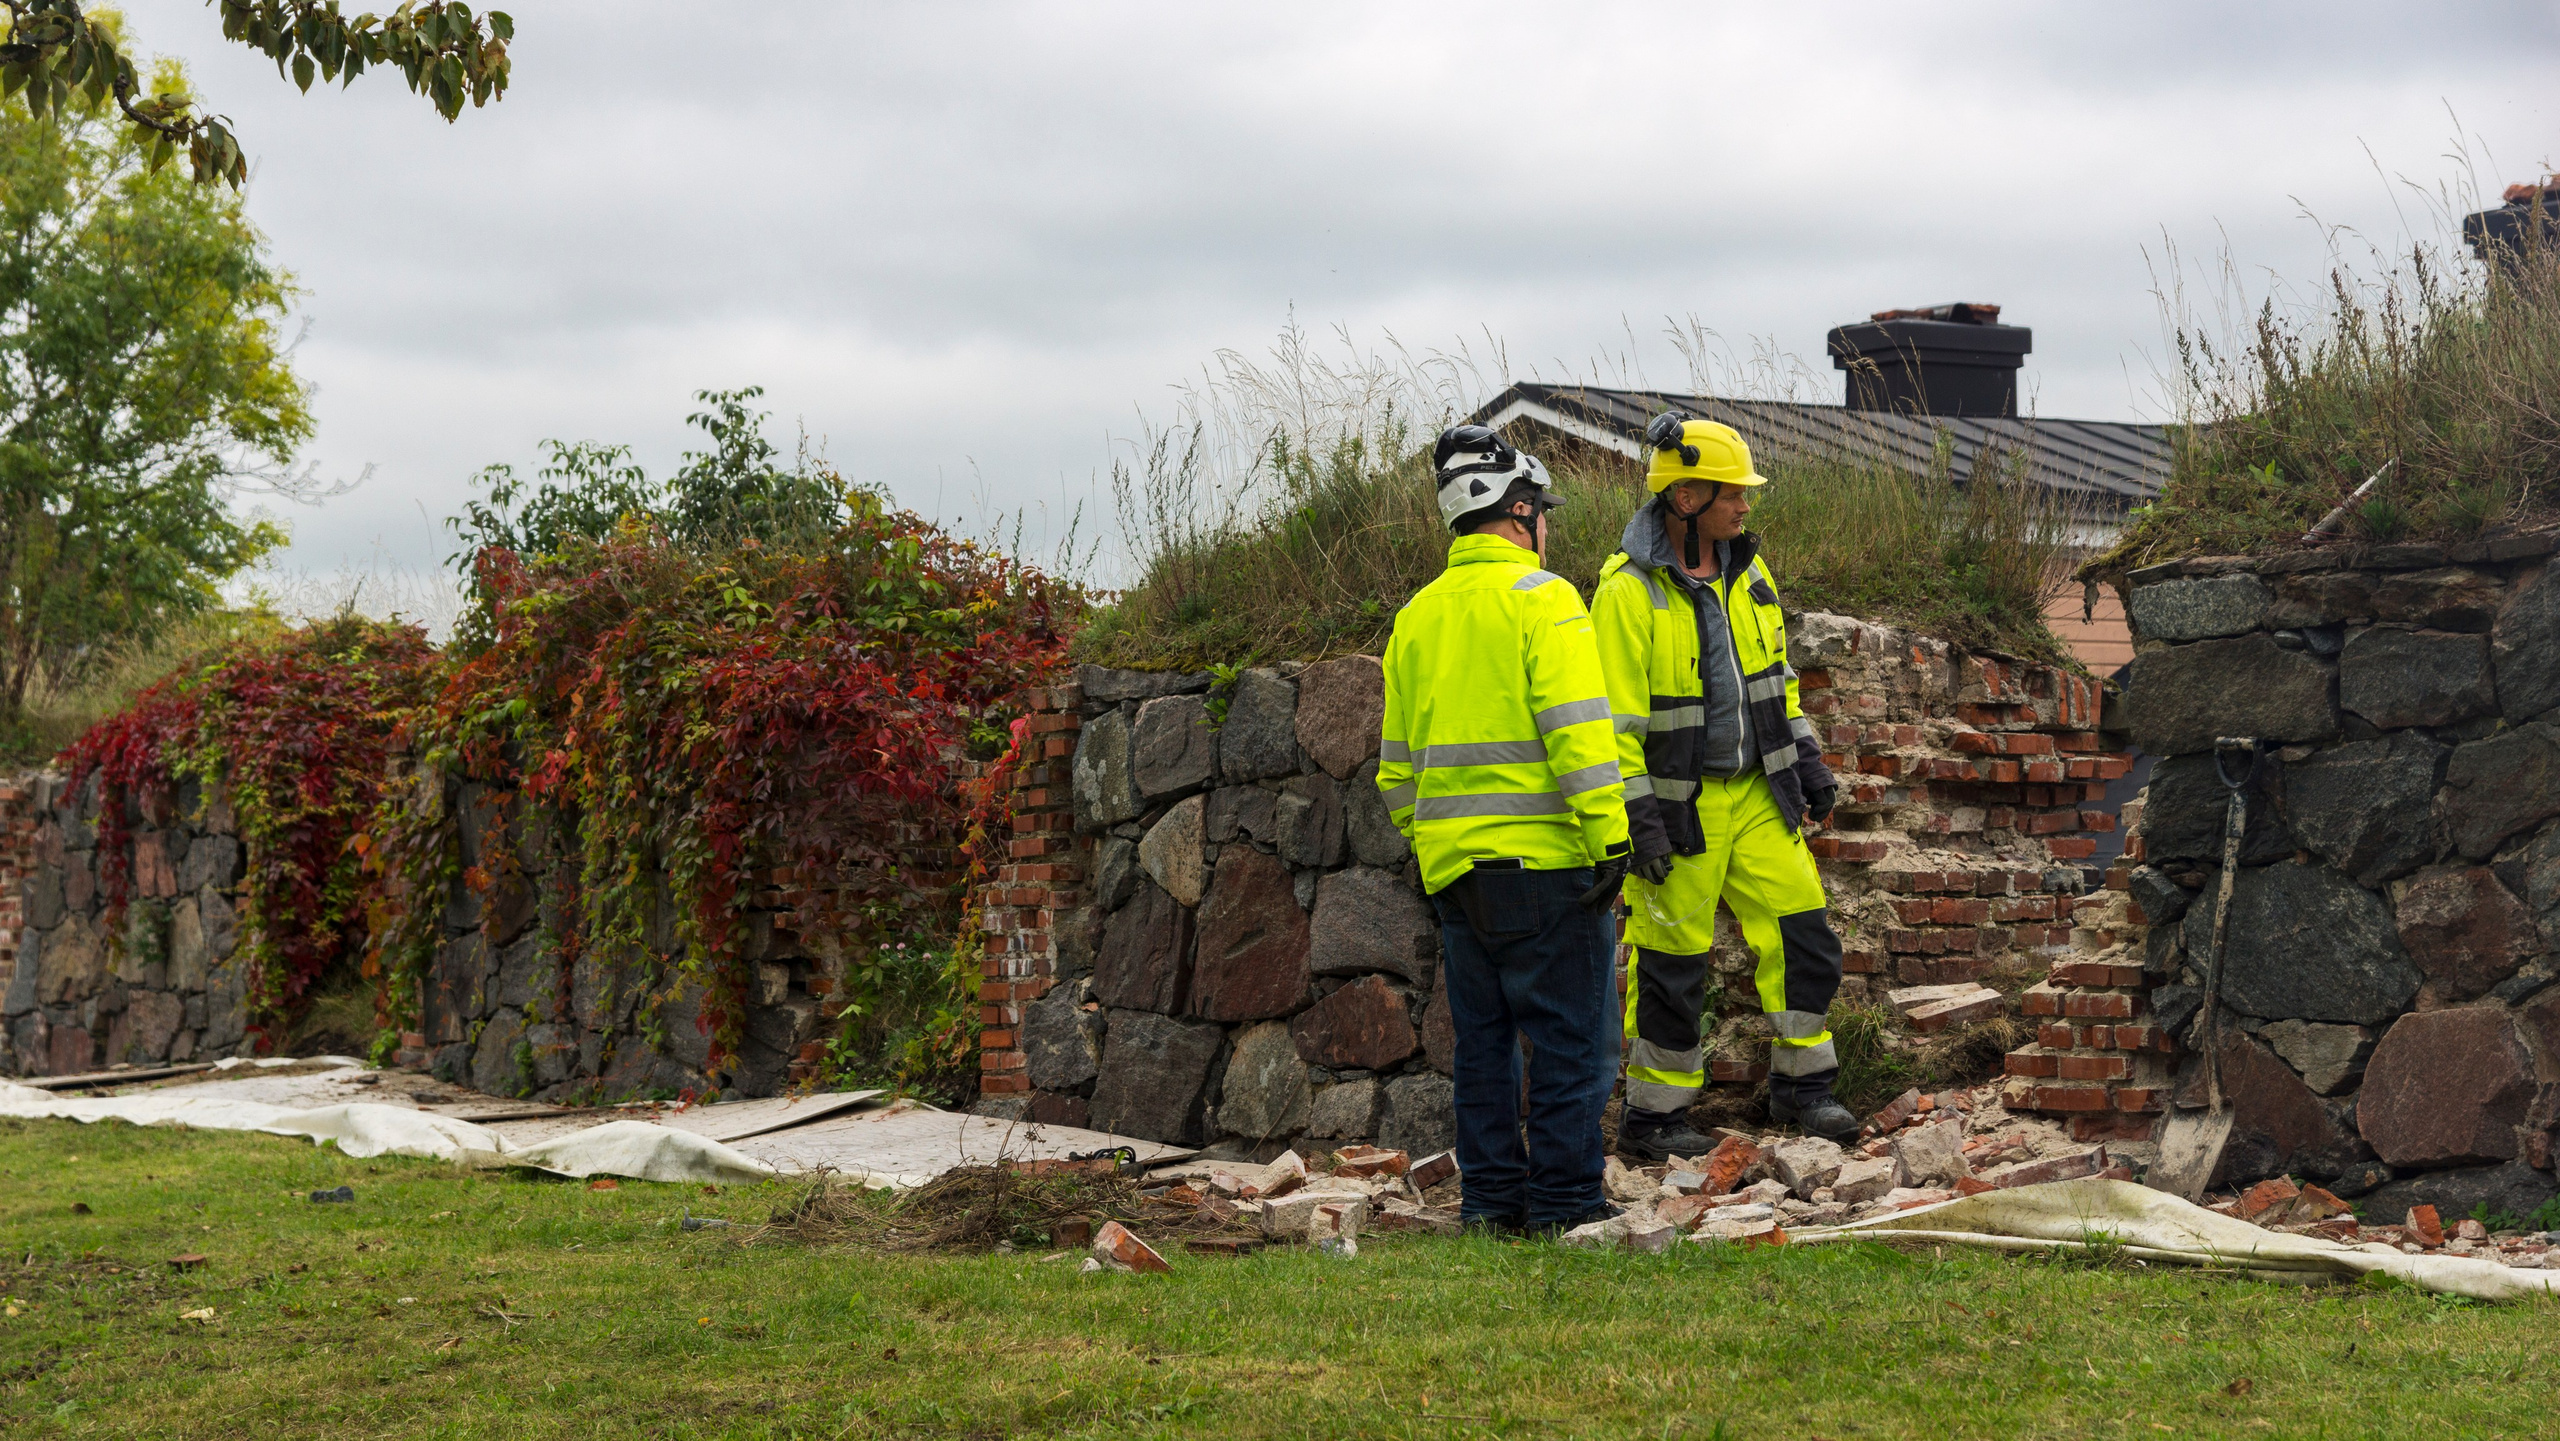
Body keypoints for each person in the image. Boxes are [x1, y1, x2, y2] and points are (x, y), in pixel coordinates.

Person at [1377, 424, 1632, 1237]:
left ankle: (1490, 1207)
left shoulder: (1416, 616)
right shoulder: (1546, 599)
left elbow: (1394, 767)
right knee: (1566, 1047)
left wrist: (1430, 846)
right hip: (1551, 865)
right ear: (1520, 512)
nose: (1546, 525)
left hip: (1458, 876)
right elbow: (1579, 734)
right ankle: (1563, 1206)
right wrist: (1612, 839)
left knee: (1482, 1051)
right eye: (1542, 510)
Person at [1590, 412, 1854, 1157]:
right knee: (1671, 965)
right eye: (1733, 492)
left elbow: (1778, 685)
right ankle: (1654, 1120)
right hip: (1680, 811)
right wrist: (1637, 818)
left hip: (1757, 798)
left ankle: (1805, 1090)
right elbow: (1611, 725)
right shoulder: (1626, 591)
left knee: (1806, 935)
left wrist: (1807, 761)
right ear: (1686, 499)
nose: (1746, 505)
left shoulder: (1751, 572)